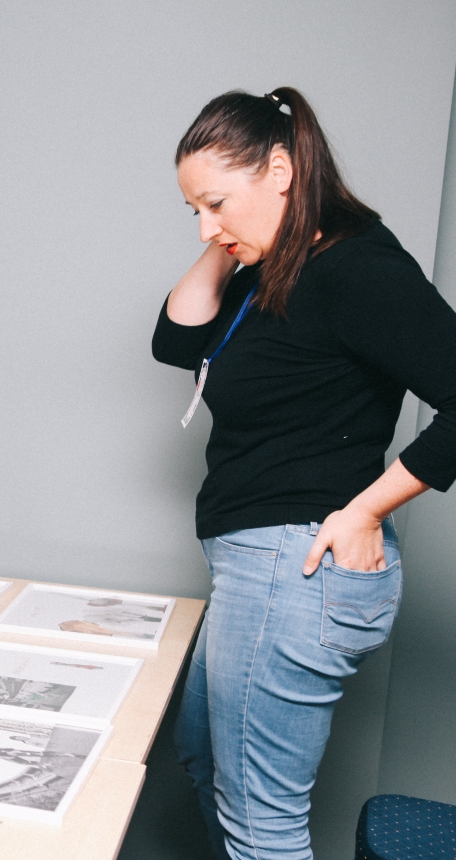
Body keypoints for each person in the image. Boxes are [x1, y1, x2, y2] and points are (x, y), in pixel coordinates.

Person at [153, 87, 456, 860]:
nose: (205, 225)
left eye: (216, 202)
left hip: (297, 566)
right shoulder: (277, 267)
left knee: (263, 824)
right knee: (204, 754)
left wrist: (364, 511)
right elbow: (178, 341)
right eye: (193, 208)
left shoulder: (356, 267)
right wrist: (223, 234)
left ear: (281, 169)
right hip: (260, 567)